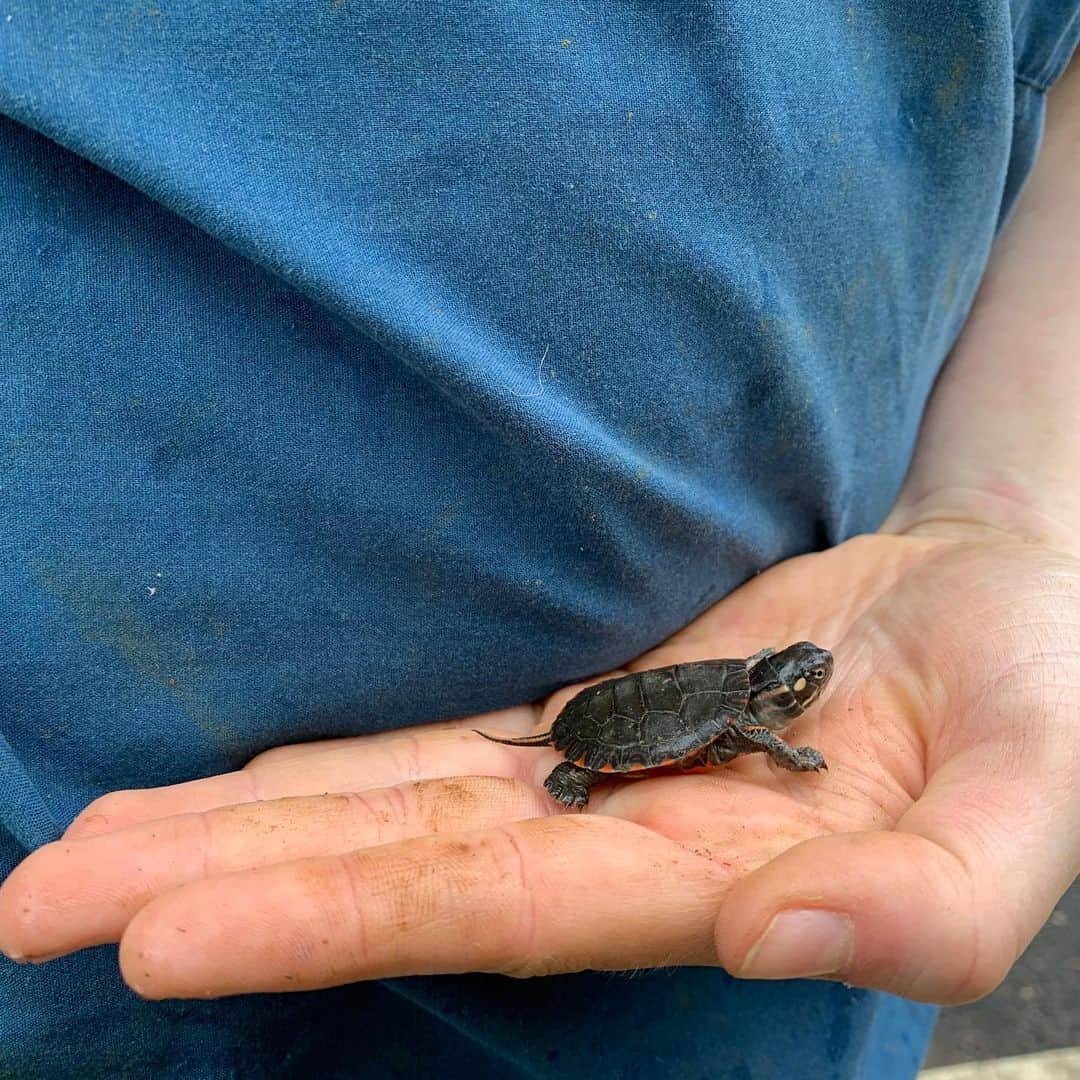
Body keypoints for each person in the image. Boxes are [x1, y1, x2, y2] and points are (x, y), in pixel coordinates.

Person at [1, 3, 1078, 1076]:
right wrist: (755, 747)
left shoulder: (748, 695)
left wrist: (1003, 511)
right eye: (799, 692)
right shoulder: (751, 718)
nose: (800, 693)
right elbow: (743, 730)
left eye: (798, 689)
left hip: (699, 1000)